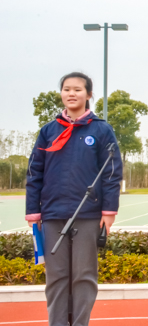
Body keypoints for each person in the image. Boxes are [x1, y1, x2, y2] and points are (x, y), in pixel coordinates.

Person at [25, 72, 123, 326]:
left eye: (78, 89)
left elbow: (112, 173)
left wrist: (109, 210)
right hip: (53, 214)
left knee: (84, 276)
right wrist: (33, 211)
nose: (71, 93)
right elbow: (35, 173)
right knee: (56, 277)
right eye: (67, 89)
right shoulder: (48, 131)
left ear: (89, 95)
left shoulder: (101, 130)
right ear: (61, 94)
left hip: (88, 215)